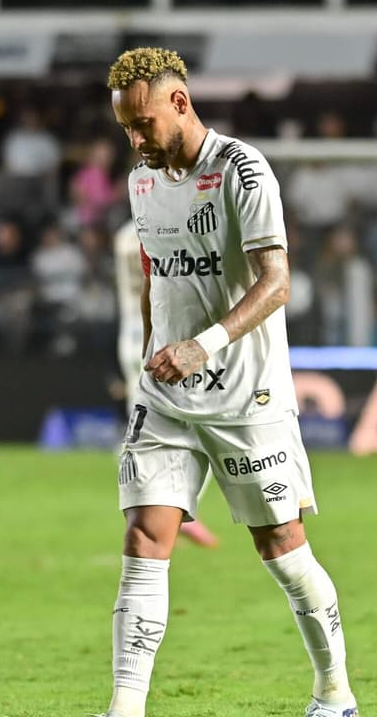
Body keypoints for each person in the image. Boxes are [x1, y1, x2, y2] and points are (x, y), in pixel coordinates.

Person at [99, 48, 357, 717]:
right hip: (167, 397)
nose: (136, 140)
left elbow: (277, 283)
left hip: (248, 394)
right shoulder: (142, 180)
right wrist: (154, 352)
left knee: (282, 549)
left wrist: (201, 345)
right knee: (144, 537)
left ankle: (334, 693)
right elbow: (156, 274)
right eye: (126, 129)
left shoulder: (242, 170)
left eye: (143, 124)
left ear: (180, 103)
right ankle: (125, 708)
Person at [112, 219, 220, 549]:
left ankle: (145, 497)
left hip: (130, 333)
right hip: (161, 333)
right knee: (197, 424)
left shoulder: (123, 235)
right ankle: (170, 504)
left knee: (140, 418)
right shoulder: (165, 226)